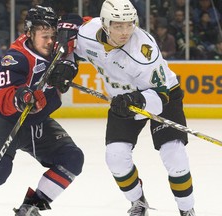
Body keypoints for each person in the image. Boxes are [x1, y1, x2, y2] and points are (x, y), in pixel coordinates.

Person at [50, 0, 196, 215]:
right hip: (121, 100)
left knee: (174, 154)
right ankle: (138, 203)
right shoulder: (89, 34)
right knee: (115, 157)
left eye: (129, 24)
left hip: (161, 95)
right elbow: (72, 40)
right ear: (105, 24)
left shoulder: (143, 51)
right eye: (118, 25)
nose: (125, 31)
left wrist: (137, 101)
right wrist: (67, 64)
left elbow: (161, 96)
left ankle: (187, 209)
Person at [0, 5, 84, 216]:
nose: (50, 41)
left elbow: (81, 21)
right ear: (29, 33)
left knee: (73, 159)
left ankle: (31, 207)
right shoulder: (16, 57)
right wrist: (22, 97)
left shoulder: (58, 46)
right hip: (5, 120)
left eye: (53, 35)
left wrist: (72, 30)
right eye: (44, 36)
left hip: (36, 122)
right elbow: (3, 97)